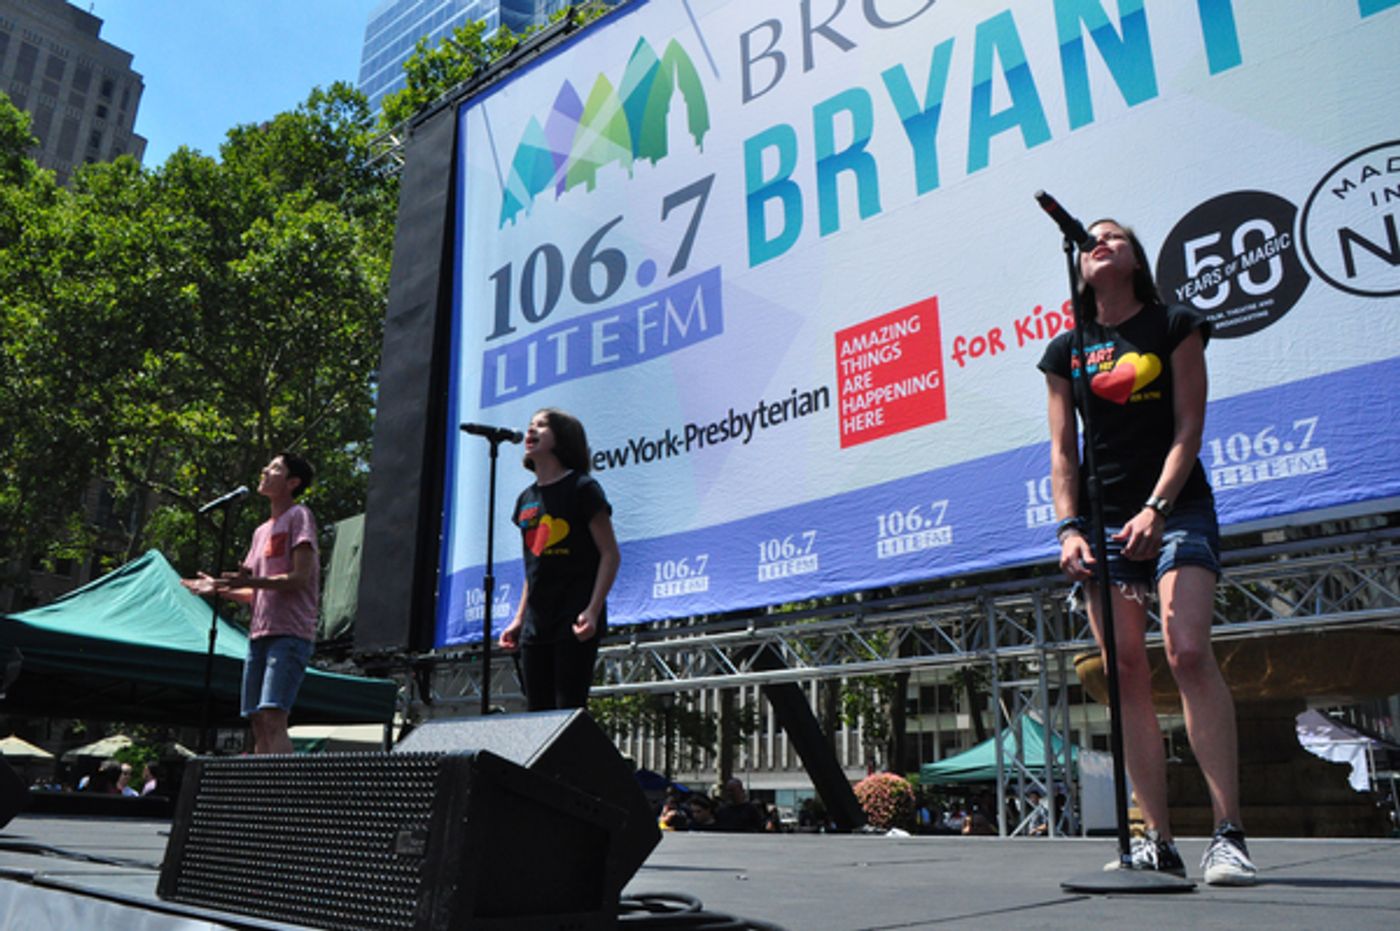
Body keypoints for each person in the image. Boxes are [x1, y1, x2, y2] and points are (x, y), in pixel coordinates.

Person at [1038, 218, 1256, 885]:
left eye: (1115, 237)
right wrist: (1069, 528)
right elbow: (1061, 452)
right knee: (1125, 671)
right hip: (1103, 523)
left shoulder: (1174, 324)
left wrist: (1157, 507)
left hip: (1176, 506)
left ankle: (1227, 834)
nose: (1099, 242)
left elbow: (1189, 428)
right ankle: (1156, 840)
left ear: (1134, 260)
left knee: (1187, 649)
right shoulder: (1066, 350)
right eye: (1090, 239)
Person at [183, 453, 319, 755]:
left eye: (274, 468)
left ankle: (281, 797)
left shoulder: (300, 516)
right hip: (258, 636)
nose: (264, 470)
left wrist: (244, 583)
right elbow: (254, 593)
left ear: (292, 482)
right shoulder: (260, 531)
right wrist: (217, 588)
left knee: (274, 716)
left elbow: (299, 578)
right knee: (257, 720)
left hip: (289, 634)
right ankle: (262, 794)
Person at [498, 409, 620, 711]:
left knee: (567, 712)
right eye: (530, 425)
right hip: (536, 624)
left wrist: (592, 611)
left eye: (541, 425)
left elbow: (610, 554)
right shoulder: (526, 499)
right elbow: (534, 566)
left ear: (563, 438)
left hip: (574, 617)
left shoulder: (583, 488)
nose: (532, 430)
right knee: (536, 715)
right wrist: (518, 619)